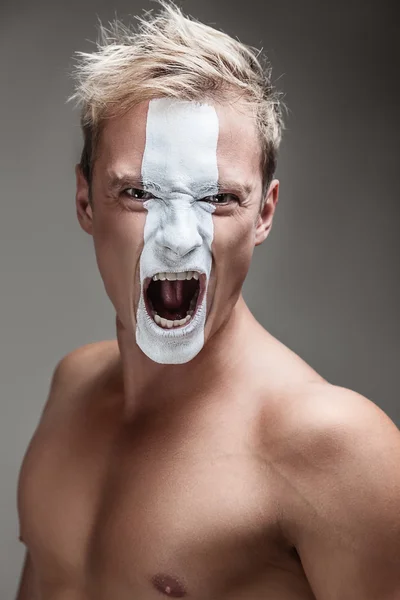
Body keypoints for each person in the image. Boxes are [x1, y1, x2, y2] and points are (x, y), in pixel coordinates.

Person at [15, 2, 400, 599]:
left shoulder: (339, 450)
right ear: (86, 201)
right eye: (139, 192)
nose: (177, 239)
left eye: (219, 198)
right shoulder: (73, 388)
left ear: (264, 213)